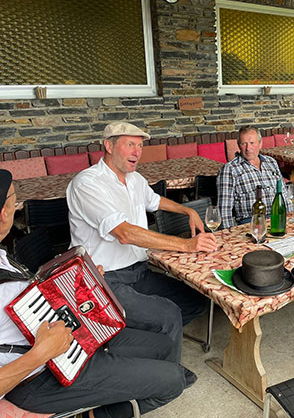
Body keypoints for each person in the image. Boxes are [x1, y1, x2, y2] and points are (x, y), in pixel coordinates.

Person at [0, 170, 188, 417]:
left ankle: (116, 393)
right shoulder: (87, 183)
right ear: (4, 213)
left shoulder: (2, 256)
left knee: (163, 345)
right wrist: (41, 354)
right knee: (174, 380)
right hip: (38, 378)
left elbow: (28, 300)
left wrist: (79, 281)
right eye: (15, 200)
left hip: (69, 339)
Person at [67, 122, 217, 362]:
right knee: (167, 314)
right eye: (130, 145)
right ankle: (166, 373)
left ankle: (145, 347)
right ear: (109, 146)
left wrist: (187, 210)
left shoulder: (135, 179)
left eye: (140, 146)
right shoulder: (87, 184)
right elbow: (124, 233)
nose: (137, 152)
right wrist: (187, 245)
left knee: (196, 301)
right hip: (104, 280)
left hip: (139, 272)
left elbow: (155, 201)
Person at [217, 125, 292, 229]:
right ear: (238, 145)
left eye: (252, 143)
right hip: (250, 223)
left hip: (277, 219)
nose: (248, 148)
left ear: (260, 144)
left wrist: (291, 220)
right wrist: (228, 234)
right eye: (244, 144)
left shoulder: (271, 162)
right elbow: (224, 210)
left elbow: (284, 195)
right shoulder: (230, 169)